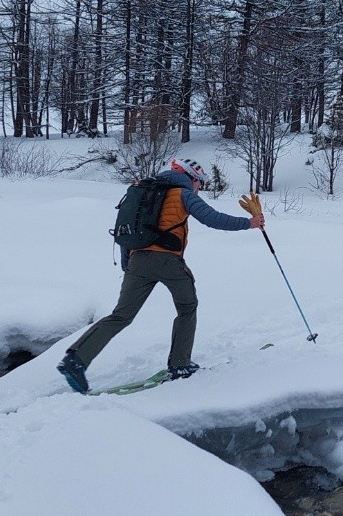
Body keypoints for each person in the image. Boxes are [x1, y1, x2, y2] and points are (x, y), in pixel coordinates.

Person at [58, 160, 264, 394]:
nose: (199, 187)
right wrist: (249, 223)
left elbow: (130, 230)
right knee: (187, 307)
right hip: (168, 261)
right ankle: (180, 365)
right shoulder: (183, 194)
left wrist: (129, 267)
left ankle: (75, 360)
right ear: (191, 178)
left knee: (122, 315)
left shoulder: (143, 191)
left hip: (137, 261)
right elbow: (212, 218)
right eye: (199, 182)